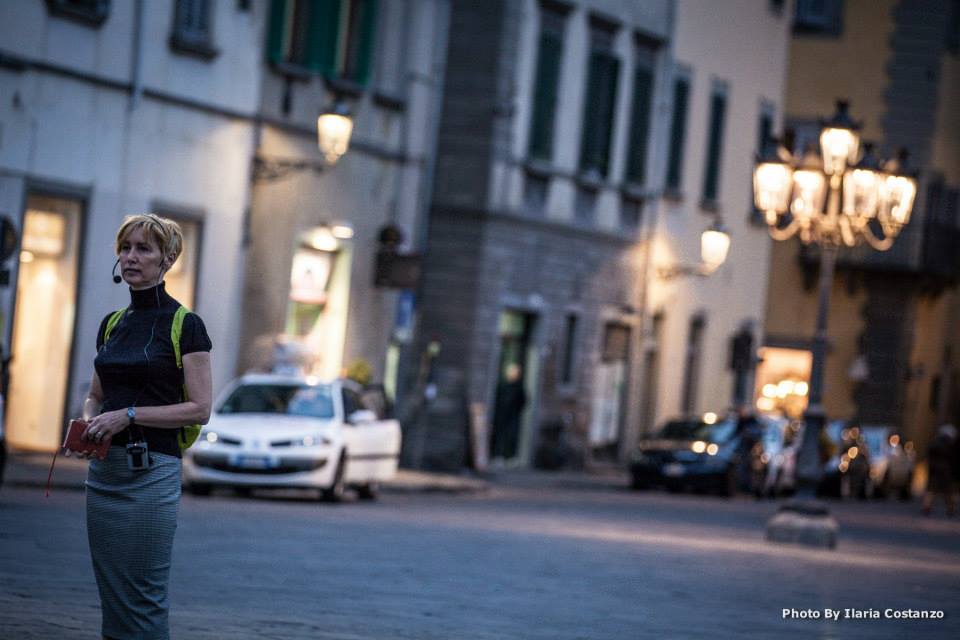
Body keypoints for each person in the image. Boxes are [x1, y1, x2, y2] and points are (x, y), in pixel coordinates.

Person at [68, 214, 212, 639]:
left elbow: (200, 408)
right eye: (126, 247)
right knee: (112, 595)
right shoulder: (112, 324)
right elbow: (96, 394)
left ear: (167, 260)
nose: (131, 257)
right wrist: (90, 419)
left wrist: (128, 415)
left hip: (151, 473)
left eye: (143, 249)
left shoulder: (186, 324)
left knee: (144, 597)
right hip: (105, 473)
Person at [490, 363, 527, 461]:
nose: (513, 374)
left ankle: (509, 456)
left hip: (512, 416)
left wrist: (516, 411)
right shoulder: (503, 385)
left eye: (516, 372)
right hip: (501, 415)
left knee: (511, 436)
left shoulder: (519, 387)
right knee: (500, 435)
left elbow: (523, 401)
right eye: (512, 372)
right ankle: (498, 455)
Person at [922, 424, 956, 517]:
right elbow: (953, 457)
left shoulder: (934, 442)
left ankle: (926, 506)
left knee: (931, 488)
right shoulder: (950, 444)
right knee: (948, 490)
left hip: (934, 468)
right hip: (945, 469)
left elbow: (927, 455)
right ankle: (950, 507)